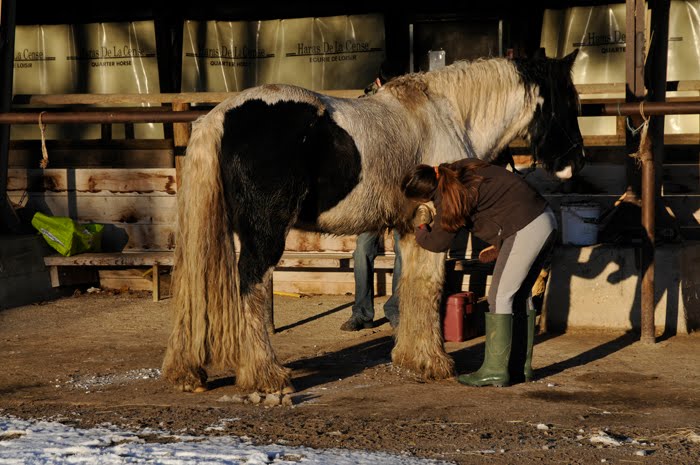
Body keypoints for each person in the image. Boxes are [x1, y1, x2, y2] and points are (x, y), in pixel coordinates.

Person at [401, 159, 557, 387]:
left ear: (425, 196)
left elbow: (436, 243)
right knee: (520, 296)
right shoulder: (463, 168)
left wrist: (421, 228)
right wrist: (497, 243)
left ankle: (495, 371)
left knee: (499, 297)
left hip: (526, 227)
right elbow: (499, 200)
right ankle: (519, 368)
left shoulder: (448, 198)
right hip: (544, 220)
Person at [340, 230, 402, 331]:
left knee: (404, 250)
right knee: (362, 249)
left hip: (402, 214)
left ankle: (397, 310)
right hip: (374, 214)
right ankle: (362, 313)